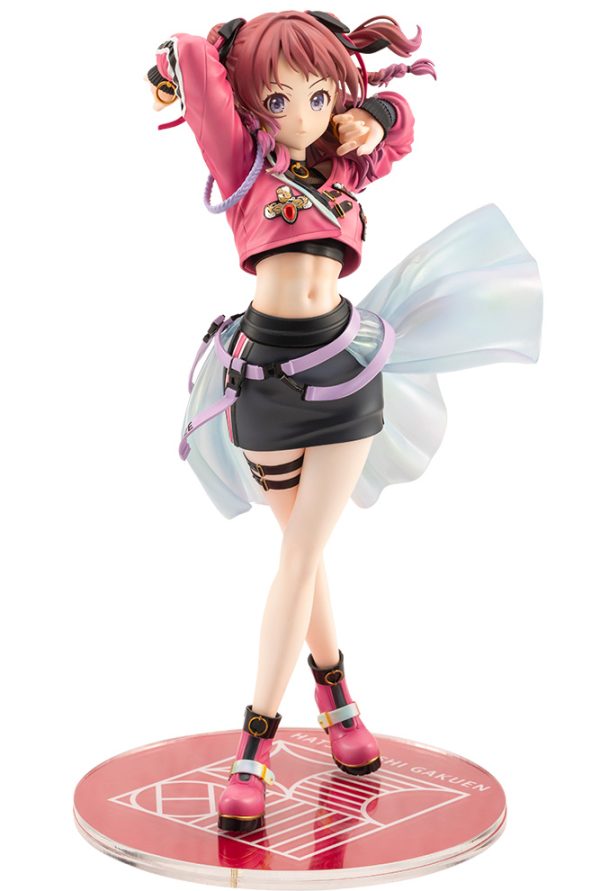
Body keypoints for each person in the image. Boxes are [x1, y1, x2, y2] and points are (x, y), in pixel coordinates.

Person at [147, 10, 542, 833]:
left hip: (345, 370)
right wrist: (198, 54)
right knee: (304, 554)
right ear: (252, 105)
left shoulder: (344, 167)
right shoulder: (241, 164)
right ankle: (339, 701)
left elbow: (403, 125)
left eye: (320, 96)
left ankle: (253, 749)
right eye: (280, 98)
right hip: (260, 378)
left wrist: (380, 114)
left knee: (299, 555)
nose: (304, 113)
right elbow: (191, 60)